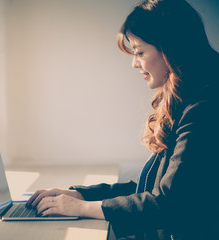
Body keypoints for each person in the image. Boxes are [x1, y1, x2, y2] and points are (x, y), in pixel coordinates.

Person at [26, 0, 219, 239]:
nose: (134, 63)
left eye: (139, 52)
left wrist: (82, 208)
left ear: (170, 49)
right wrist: (82, 195)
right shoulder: (189, 97)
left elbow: (168, 204)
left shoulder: (205, 109)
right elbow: (151, 187)